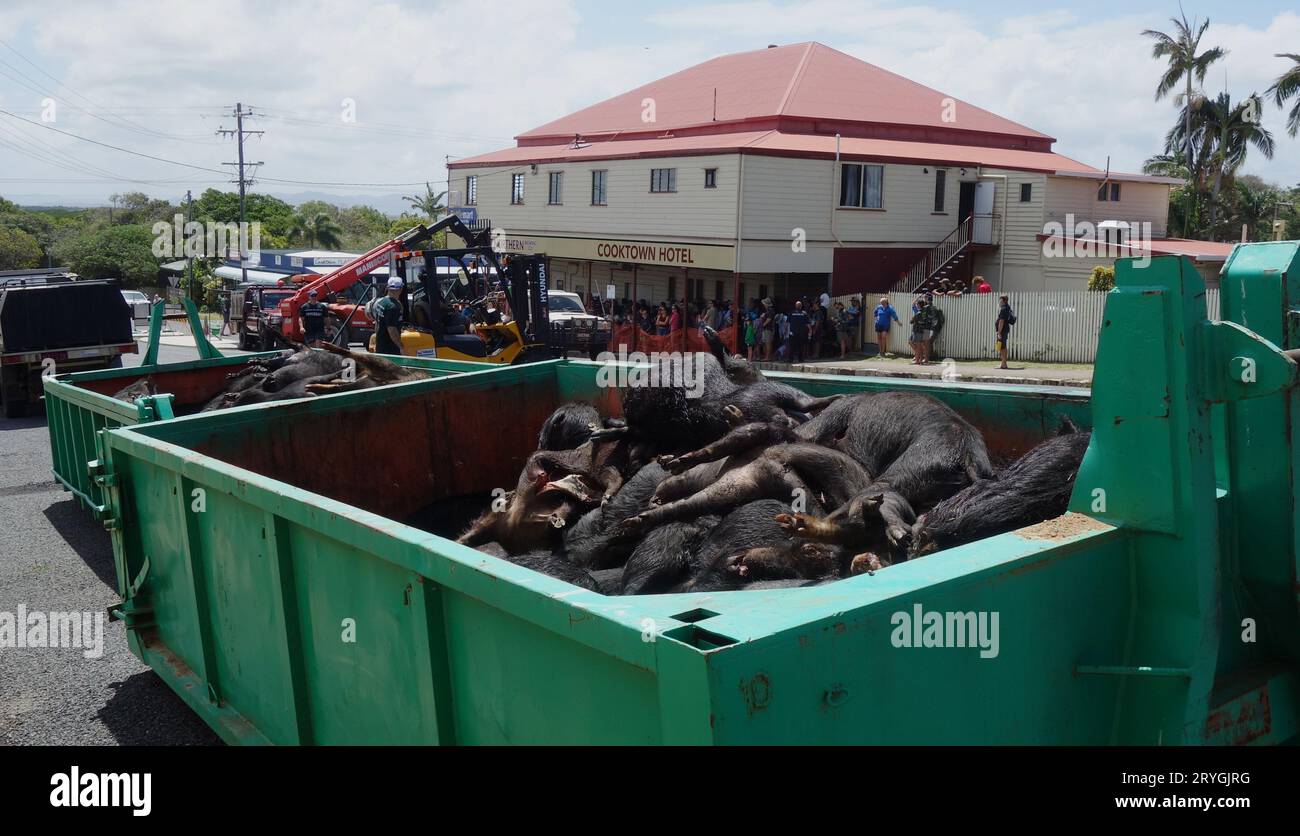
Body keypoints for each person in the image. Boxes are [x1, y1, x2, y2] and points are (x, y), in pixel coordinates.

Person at [373, 277, 405, 355]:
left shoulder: (381, 302)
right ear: (400, 289)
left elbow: (377, 324)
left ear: (388, 287)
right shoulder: (393, 307)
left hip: (381, 345)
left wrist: (376, 341)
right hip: (390, 348)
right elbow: (392, 329)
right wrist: (401, 347)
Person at [909, 297, 934, 365]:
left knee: (920, 345)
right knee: (926, 345)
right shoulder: (928, 309)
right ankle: (925, 360)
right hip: (927, 329)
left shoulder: (921, 311)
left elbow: (912, 321)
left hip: (921, 329)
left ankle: (919, 360)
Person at [995, 294, 1015, 369]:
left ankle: (1003, 364)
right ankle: (1003, 363)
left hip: (1002, 330)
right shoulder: (1007, 308)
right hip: (1004, 330)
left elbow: (1001, 321)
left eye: (1000, 300)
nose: (999, 301)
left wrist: (999, 332)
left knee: (1002, 346)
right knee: (1002, 346)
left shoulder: (1004, 309)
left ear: (1004, 300)